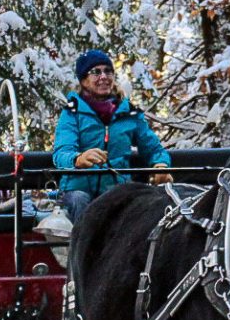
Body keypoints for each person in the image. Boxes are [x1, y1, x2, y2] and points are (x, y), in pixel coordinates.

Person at [53, 49, 173, 223]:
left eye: (108, 71)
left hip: (117, 188)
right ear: (83, 80)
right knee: (79, 201)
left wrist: (161, 165)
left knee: (139, 205)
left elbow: (154, 149)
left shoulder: (129, 113)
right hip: (78, 190)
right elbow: (61, 154)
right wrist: (78, 158)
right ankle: (82, 249)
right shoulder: (72, 113)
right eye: (95, 72)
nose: (103, 77)